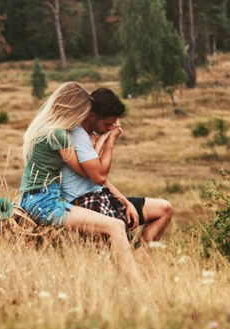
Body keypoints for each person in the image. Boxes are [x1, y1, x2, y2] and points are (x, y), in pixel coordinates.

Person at [19, 82, 141, 279]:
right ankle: (137, 285)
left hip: (33, 198)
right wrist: (107, 140)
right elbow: (88, 173)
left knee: (112, 226)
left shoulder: (44, 129)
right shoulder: (59, 135)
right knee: (116, 226)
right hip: (45, 202)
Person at [60, 87, 173, 253]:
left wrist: (126, 203)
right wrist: (110, 140)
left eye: (113, 124)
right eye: (107, 124)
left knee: (164, 208)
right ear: (91, 116)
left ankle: (141, 255)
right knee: (118, 229)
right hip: (85, 200)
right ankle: (133, 259)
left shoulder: (89, 134)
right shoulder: (78, 136)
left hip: (100, 193)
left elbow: (98, 179)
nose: (110, 128)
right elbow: (99, 176)